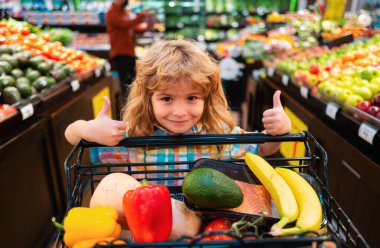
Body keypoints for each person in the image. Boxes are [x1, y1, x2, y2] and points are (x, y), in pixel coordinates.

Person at [65, 40, 291, 184]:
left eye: (192, 98)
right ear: (148, 99)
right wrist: (88, 129)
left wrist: (280, 130)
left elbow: (262, 148)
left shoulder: (218, 134)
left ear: (207, 98)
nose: (180, 112)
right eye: (166, 98)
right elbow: (70, 133)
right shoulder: (131, 138)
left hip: (207, 228)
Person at [105, 0, 147, 98]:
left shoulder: (123, 11)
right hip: (120, 52)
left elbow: (130, 27)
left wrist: (143, 28)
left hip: (129, 51)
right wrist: (140, 18)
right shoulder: (111, 13)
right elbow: (125, 24)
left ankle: (135, 103)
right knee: (125, 84)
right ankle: (127, 108)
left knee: (133, 81)